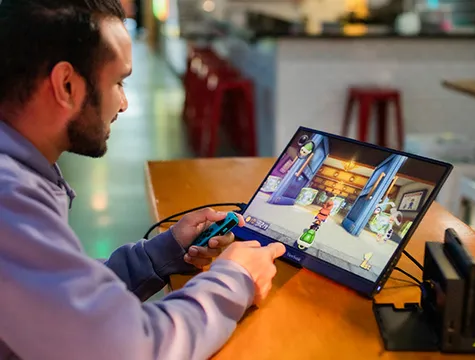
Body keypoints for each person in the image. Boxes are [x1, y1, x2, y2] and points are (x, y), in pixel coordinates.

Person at [0, 1, 286, 359]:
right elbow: (128, 348)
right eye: (118, 82)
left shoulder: (20, 172)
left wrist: (159, 255)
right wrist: (236, 279)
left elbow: (62, 302)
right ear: (67, 85)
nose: (123, 104)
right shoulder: (9, 199)